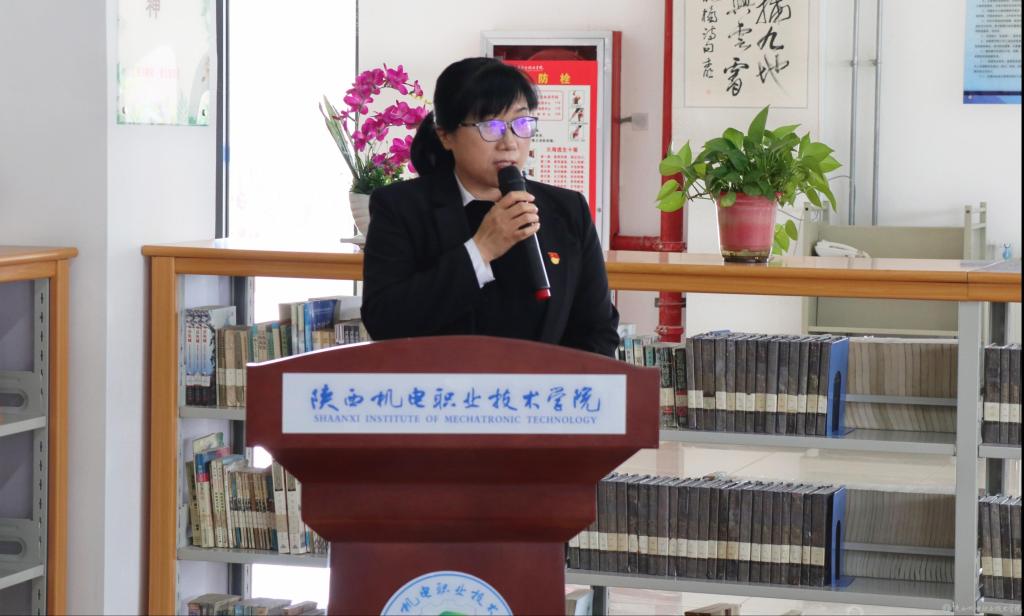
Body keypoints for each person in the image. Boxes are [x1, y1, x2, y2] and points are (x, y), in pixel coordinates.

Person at [360, 57, 619, 357]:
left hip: (543, 385)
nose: (509, 142)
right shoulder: (400, 208)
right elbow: (385, 321)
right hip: (442, 384)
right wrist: (480, 250)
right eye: (491, 126)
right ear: (446, 135)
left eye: (521, 123)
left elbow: (598, 332)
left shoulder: (568, 210)